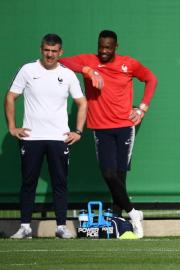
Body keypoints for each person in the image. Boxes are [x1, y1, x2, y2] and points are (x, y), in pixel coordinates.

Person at [59, 30, 157, 238]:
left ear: (116, 47)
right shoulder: (89, 60)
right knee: (108, 174)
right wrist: (87, 70)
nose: (103, 51)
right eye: (101, 47)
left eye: (108, 48)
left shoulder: (128, 64)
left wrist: (142, 108)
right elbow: (64, 61)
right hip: (100, 128)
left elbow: (151, 79)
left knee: (120, 176)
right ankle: (134, 213)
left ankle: (121, 223)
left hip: (124, 127)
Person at [5, 34, 87, 239]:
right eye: (46, 50)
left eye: (54, 51)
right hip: (31, 138)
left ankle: (61, 227)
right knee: (28, 182)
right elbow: (10, 96)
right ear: (41, 50)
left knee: (60, 182)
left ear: (61, 52)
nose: (50, 55)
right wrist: (13, 127)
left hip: (59, 138)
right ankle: (25, 226)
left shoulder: (68, 75)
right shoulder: (27, 70)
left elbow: (82, 102)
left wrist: (77, 131)